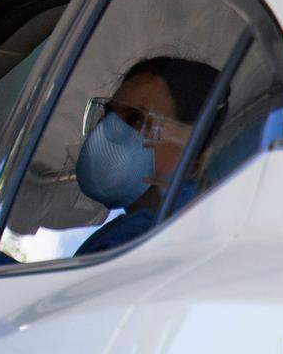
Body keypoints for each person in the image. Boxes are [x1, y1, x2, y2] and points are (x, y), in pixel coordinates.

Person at [74, 56, 222, 254]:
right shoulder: (195, 231)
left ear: (193, 160)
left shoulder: (138, 242)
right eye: (107, 116)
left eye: (135, 118)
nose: (106, 132)